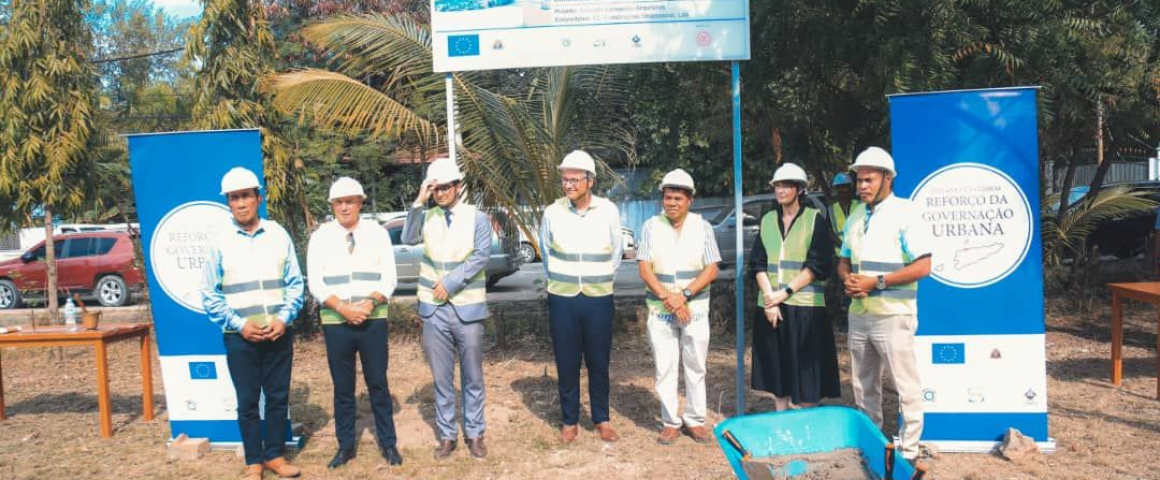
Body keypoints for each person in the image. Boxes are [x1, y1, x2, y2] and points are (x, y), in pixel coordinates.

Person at [200, 167, 304, 480]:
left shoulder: (278, 234)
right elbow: (209, 293)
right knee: (247, 402)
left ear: (258, 198)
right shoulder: (219, 241)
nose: (241, 203)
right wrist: (239, 323)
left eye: (246, 195)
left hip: (277, 333)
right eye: (234, 197)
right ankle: (253, 462)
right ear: (228, 203)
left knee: (276, 398)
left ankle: (274, 456)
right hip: (239, 336)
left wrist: (284, 319)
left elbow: (296, 283)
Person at [837, 146, 932, 463]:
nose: (862, 186)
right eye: (859, 180)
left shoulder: (906, 213)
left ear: (888, 179)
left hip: (893, 315)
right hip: (860, 316)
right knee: (864, 387)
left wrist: (875, 282)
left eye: (869, 180)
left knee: (906, 386)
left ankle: (908, 450)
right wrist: (847, 278)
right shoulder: (855, 216)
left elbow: (923, 266)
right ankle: (873, 445)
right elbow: (844, 260)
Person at [307, 177, 403, 469]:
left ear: (361, 202)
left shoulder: (377, 233)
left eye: (350, 201)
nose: (344, 207)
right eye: (339, 202)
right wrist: (343, 308)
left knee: (378, 383)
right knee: (342, 388)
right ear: (332, 205)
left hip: (372, 319)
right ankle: (345, 446)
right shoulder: (321, 237)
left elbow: (390, 277)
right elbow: (316, 282)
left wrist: (371, 302)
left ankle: (388, 444)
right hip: (337, 322)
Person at [401, 157, 492, 459]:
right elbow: (407, 237)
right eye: (435, 189)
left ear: (458, 187)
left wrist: (451, 283)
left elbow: (480, 256)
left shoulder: (476, 218)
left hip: (467, 307)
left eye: (444, 188)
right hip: (434, 310)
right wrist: (419, 199)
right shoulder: (428, 217)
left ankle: (476, 433)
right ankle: (446, 435)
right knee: (442, 378)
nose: (440, 193)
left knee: (472, 376)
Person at [539, 150, 623, 444]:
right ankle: (569, 420)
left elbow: (616, 252)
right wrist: (562, 280)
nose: (568, 185)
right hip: (562, 298)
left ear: (590, 181)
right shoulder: (552, 212)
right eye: (564, 179)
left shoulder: (608, 211)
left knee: (599, 361)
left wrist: (598, 279)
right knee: (566, 360)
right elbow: (546, 253)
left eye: (575, 179)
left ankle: (601, 418)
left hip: (598, 297)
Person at [637, 169, 721, 445]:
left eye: (677, 198)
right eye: (667, 197)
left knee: (695, 366)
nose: (671, 203)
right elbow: (645, 269)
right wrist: (669, 299)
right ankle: (671, 421)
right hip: (661, 310)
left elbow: (711, 269)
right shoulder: (651, 226)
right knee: (665, 367)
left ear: (689, 201)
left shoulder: (703, 227)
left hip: (694, 308)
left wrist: (683, 296)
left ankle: (695, 421)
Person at [748, 163, 841, 412]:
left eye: (786, 185)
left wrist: (783, 294)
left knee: (807, 371)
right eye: (777, 185)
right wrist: (770, 298)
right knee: (777, 366)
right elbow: (757, 262)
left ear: (799, 189)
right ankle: (781, 415)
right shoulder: (767, 220)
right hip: (771, 307)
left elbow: (817, 265)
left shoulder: (814, 220)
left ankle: (806, 419)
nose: (780, 190)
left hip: (805, 308)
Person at [829, 172, 862, 252]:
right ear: (836, 189)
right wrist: (844, 247)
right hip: (839, 255)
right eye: (839, 187)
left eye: (845, 187)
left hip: (858, 254)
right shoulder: (831, 209)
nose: (842, 190)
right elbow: (829, 232)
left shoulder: (860, 206)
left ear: (850, 188)